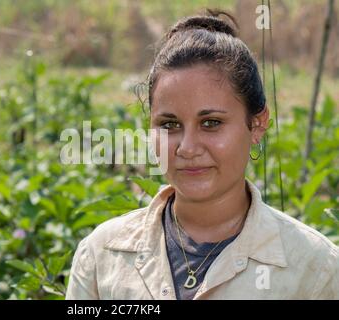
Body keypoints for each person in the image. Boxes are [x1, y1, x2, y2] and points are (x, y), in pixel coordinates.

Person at [65, 11, 338, 300]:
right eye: (169, 125)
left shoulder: (315, 270)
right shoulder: (102, 256)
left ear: (257, 124)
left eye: (211, 123)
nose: (187, 148)